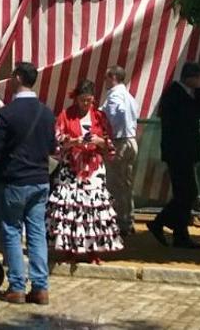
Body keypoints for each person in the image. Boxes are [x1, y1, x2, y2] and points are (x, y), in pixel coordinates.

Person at [0, 61, 56, 306]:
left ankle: (16, 286)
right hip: (40, 179)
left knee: (12, 231)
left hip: (15, 180)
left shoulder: (8, 112)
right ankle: (40, 288)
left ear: (17, 78)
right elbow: (52, 147)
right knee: (36, 233)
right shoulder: (46, 112)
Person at [47, 80, 123, 263]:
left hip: (93, 167)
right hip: (72, 167)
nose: (86, 104)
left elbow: (109, 143)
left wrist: (99, 141)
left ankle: (93, 250)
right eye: (82, 100)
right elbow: (57, 140)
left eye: (89, 101)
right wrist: (74, 141)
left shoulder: (99, 117)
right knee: (71, 209)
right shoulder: (66, 115)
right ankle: (69, 249)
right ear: (76, 99)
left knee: (93, 210)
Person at [149, 62, 200, 249]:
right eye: (199, 77)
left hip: (186, 152)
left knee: (186, 193)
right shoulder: (174, 95)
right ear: (190, 77)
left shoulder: (189, 95)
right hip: (178, 152)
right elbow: (182, 121)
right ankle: (160, 222)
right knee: (186, 192)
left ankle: (180, 234)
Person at [101, 66, 140, 238]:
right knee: (126, 183)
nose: (105, 81)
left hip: (120, 140)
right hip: (130, 139)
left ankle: (118, 221)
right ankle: (127, 219)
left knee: (115, 183)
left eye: (107, 77)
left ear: (113, 77)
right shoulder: (129, 96)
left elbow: (119, 113)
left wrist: (115, 132)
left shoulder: (115, 95)